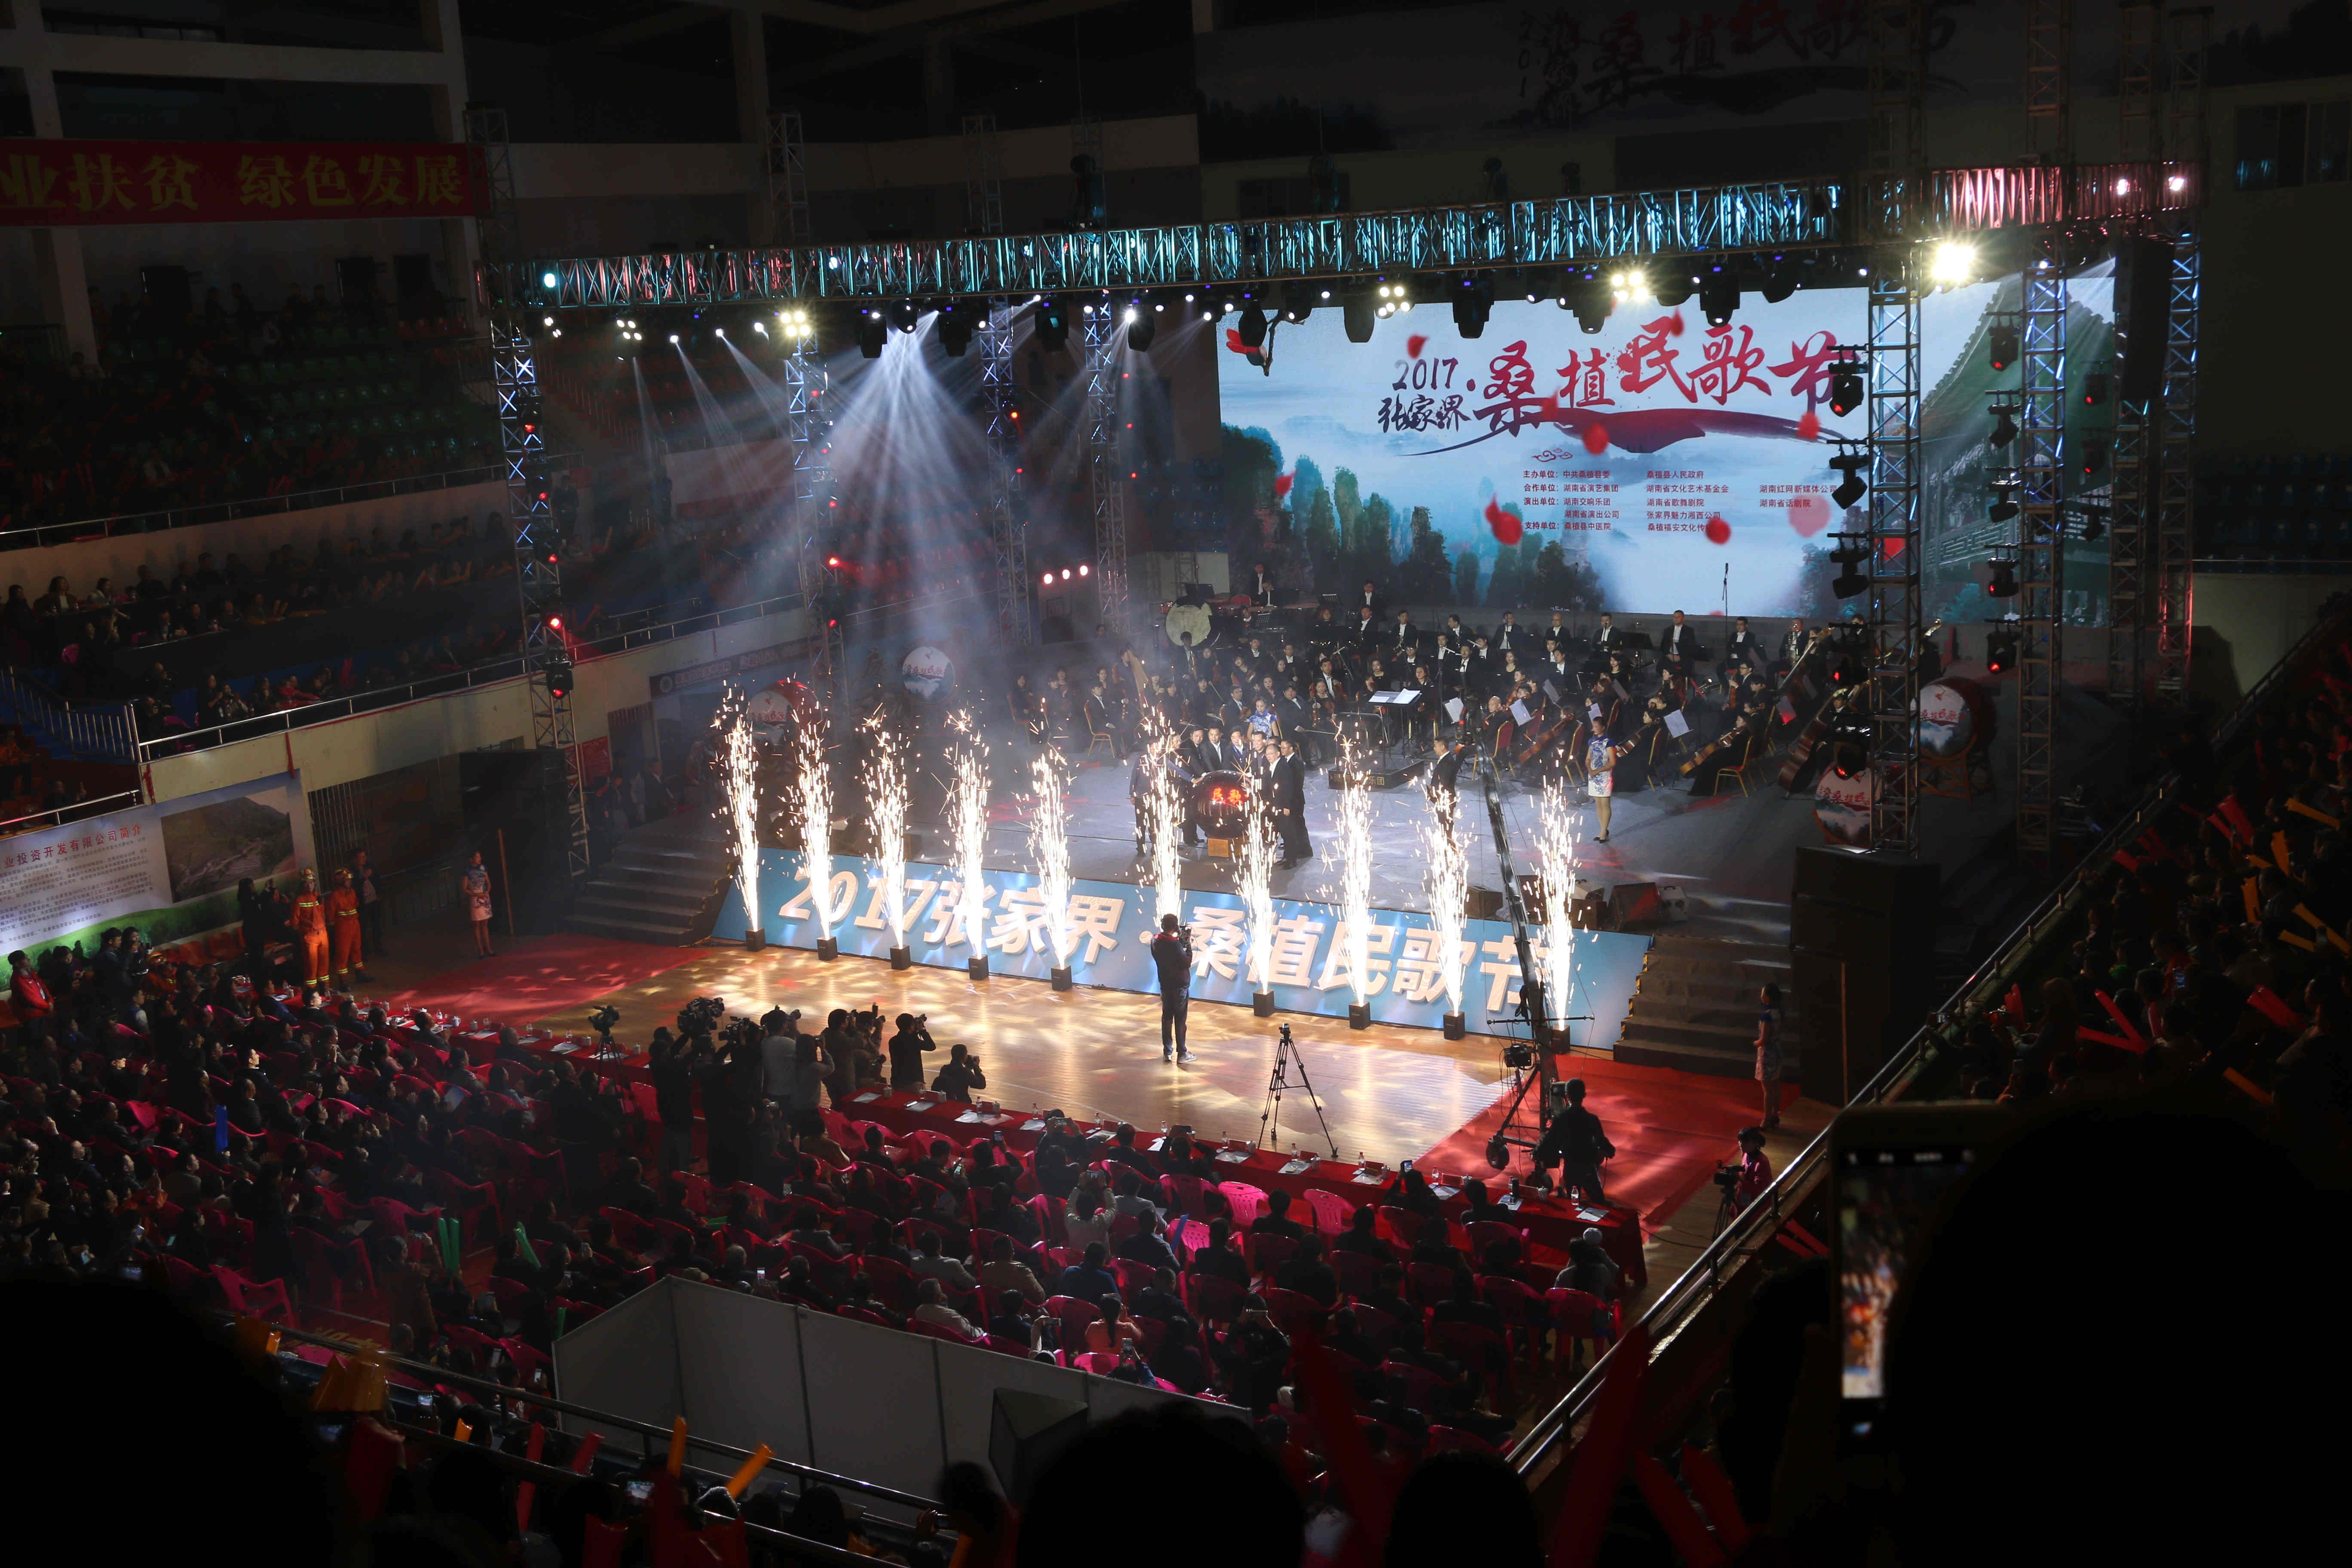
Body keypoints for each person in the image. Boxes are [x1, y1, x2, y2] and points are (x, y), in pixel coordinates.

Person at [1533, 1076, 1614, 1202]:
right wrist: (1610, 1151)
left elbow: (1549, 1140)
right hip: (1588, 1168)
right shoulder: (1592, 1119)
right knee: (1599, 1202)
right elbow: (1602, 1142)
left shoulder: (1560, 1119)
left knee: (1574, 1203)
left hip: (1571, 1169)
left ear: (1567, 1096)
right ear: (1584, 1095)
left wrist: (1537, 1152)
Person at [1151, 913, 1193, 1063]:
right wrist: (1187, 945)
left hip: (1165, 985)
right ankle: (1182, 1054)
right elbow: (1186, 962)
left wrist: (1179, 942)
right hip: (1180, 986)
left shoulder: (1155, 940)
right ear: (1175, 927)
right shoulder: (1175, 945)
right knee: (1180, 1021)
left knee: (1167, 1019)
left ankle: (1167, 1052)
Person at [325, 868, 367, 985]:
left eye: (350, 880)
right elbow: (330, 916)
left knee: (357, 949)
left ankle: (360, 974)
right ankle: (343, 981)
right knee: (343, 954)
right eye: (347, 880)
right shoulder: (334, 896)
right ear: (340, 881)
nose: (350, 882)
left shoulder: (352, 892)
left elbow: (355, 905)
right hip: (343, 927)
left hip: (355, 924)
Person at [289, 869, 329, 987]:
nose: (309, 885)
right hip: (310, 936)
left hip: (323, 934)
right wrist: (305, 933)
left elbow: (322, 915)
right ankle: (312, 990)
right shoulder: (299, 900)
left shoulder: (318, 897)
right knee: (311, 965)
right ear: (302, 885)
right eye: (306, 883)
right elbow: (294, 923)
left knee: (324, 964)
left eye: (311, 882)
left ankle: (325, 988)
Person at [1755, 981, 1785, 1129]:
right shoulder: (1780, 1012)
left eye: (1763, 995)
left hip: (1767, 1054)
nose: (1762, 997)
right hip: (1777, 1050)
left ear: (1769, 997)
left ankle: (1767, 1119)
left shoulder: (1766, 1016)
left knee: (1767, 1089)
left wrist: (1756, 1043)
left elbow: (1764, 1039)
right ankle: (1775, 1115)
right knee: (1776, 1086)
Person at [1585, 727, 1621, 843]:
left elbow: (1612, 762)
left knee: (1605, 804)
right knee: (1599, 805)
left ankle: (1604, 832)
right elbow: (1588, 759)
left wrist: (1598, 771)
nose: (1594, 729)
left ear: (1603, 727)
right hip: (1593, 776)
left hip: (1604, 777)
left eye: (1596, 727)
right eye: (1593, 726)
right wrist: (1590, 770)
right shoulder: (1591, 742)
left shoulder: (1609, 743)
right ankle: (1603, 831)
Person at [349, 848, 386, 962]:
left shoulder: (370, 867)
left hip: (374, 901)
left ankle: (379, 948)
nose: (364, 859)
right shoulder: (352, 872)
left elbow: (378, 881)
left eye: (365, 856)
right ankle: (365, 952)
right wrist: (364, 877)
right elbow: (354, 887)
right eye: (361, 857)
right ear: (356, 859)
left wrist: (379, 895)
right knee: (363, 929)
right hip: (363, 904)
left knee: (377, 926)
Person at [459, 849, 494, 956]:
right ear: (471, 859)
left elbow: (488, 883)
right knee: (477, 924)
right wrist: (475, 894)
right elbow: (464, 888)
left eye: (480, 857)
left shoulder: (483, 868)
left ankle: (488, 948)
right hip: (475, 898)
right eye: (477, 857)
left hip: (485, 897)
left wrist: (487, 891)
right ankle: (480, 950)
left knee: (485, 923)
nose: (480, 859)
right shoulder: (467, 871)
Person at [1730, 1125, 1772, 1207]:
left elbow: (1759, 1190)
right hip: (1745, 1195)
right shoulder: (1745, 1154)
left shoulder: (1762, 1163)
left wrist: (1739, 1178)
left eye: (1746, 1142)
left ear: (1755, 1143)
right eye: (1740, 1141)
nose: (1741, 1145)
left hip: (1757, 1202)